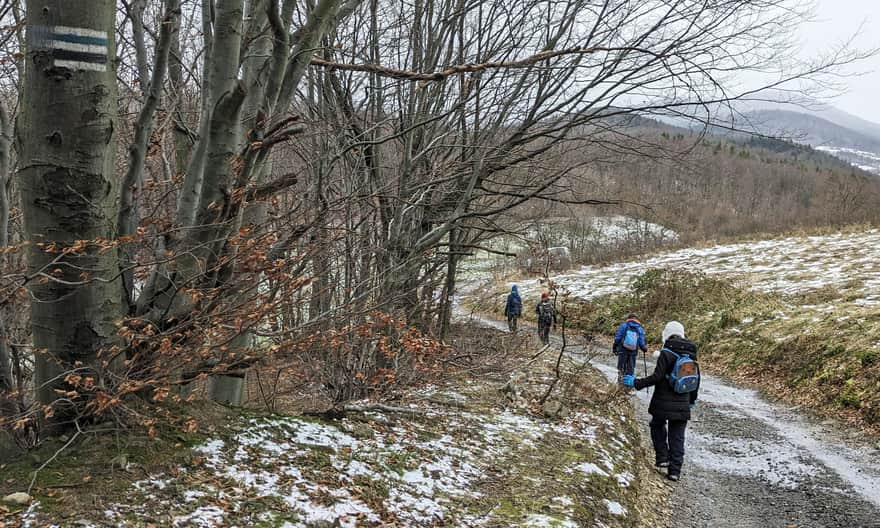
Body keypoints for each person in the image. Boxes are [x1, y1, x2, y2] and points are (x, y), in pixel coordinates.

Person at [623, 321, 699, 482]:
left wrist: (636, 382)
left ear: (666, 334)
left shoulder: (667, 352)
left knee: (657, 425)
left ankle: (663, 457)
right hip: (683, 402)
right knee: (677, 436)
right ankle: (675, 472)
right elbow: (695, 380)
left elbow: (657, 377)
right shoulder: (691, 353)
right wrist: (691, 400)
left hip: (663, 401)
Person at [612, 313, 647, 384]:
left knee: (621, 367)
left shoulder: (624, 326)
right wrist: (643, 348)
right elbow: (641, 341)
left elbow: (618, 337)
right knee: (630, 368)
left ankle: (620, 383)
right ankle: (628, 385)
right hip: (633, 352)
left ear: (629, 318)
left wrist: (614, 346)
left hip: (623, 350)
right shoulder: (639, 328)